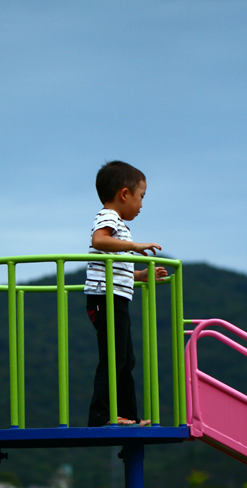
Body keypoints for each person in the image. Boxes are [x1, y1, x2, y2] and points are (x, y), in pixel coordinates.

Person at [84, 160, 167, 427]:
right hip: (104, 299)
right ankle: (101, 416)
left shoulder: (119, 225)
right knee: (114, 357)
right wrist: (134, 245)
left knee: (125, 359)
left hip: (115, 298)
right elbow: (98, 240)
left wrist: (140, 275)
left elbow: (115, 270)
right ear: (124, 194)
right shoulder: (109, 217)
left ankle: (128, 415)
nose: (141, 204)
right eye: (141, 196)